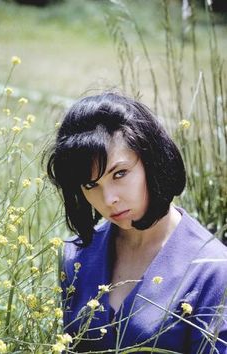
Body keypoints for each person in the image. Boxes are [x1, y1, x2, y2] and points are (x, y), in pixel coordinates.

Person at [46, 92, 227, 353]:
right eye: (90, 185)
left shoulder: (213, 270)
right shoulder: (76, 257)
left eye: (119, 174)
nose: (109, 199)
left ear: (152, 161)